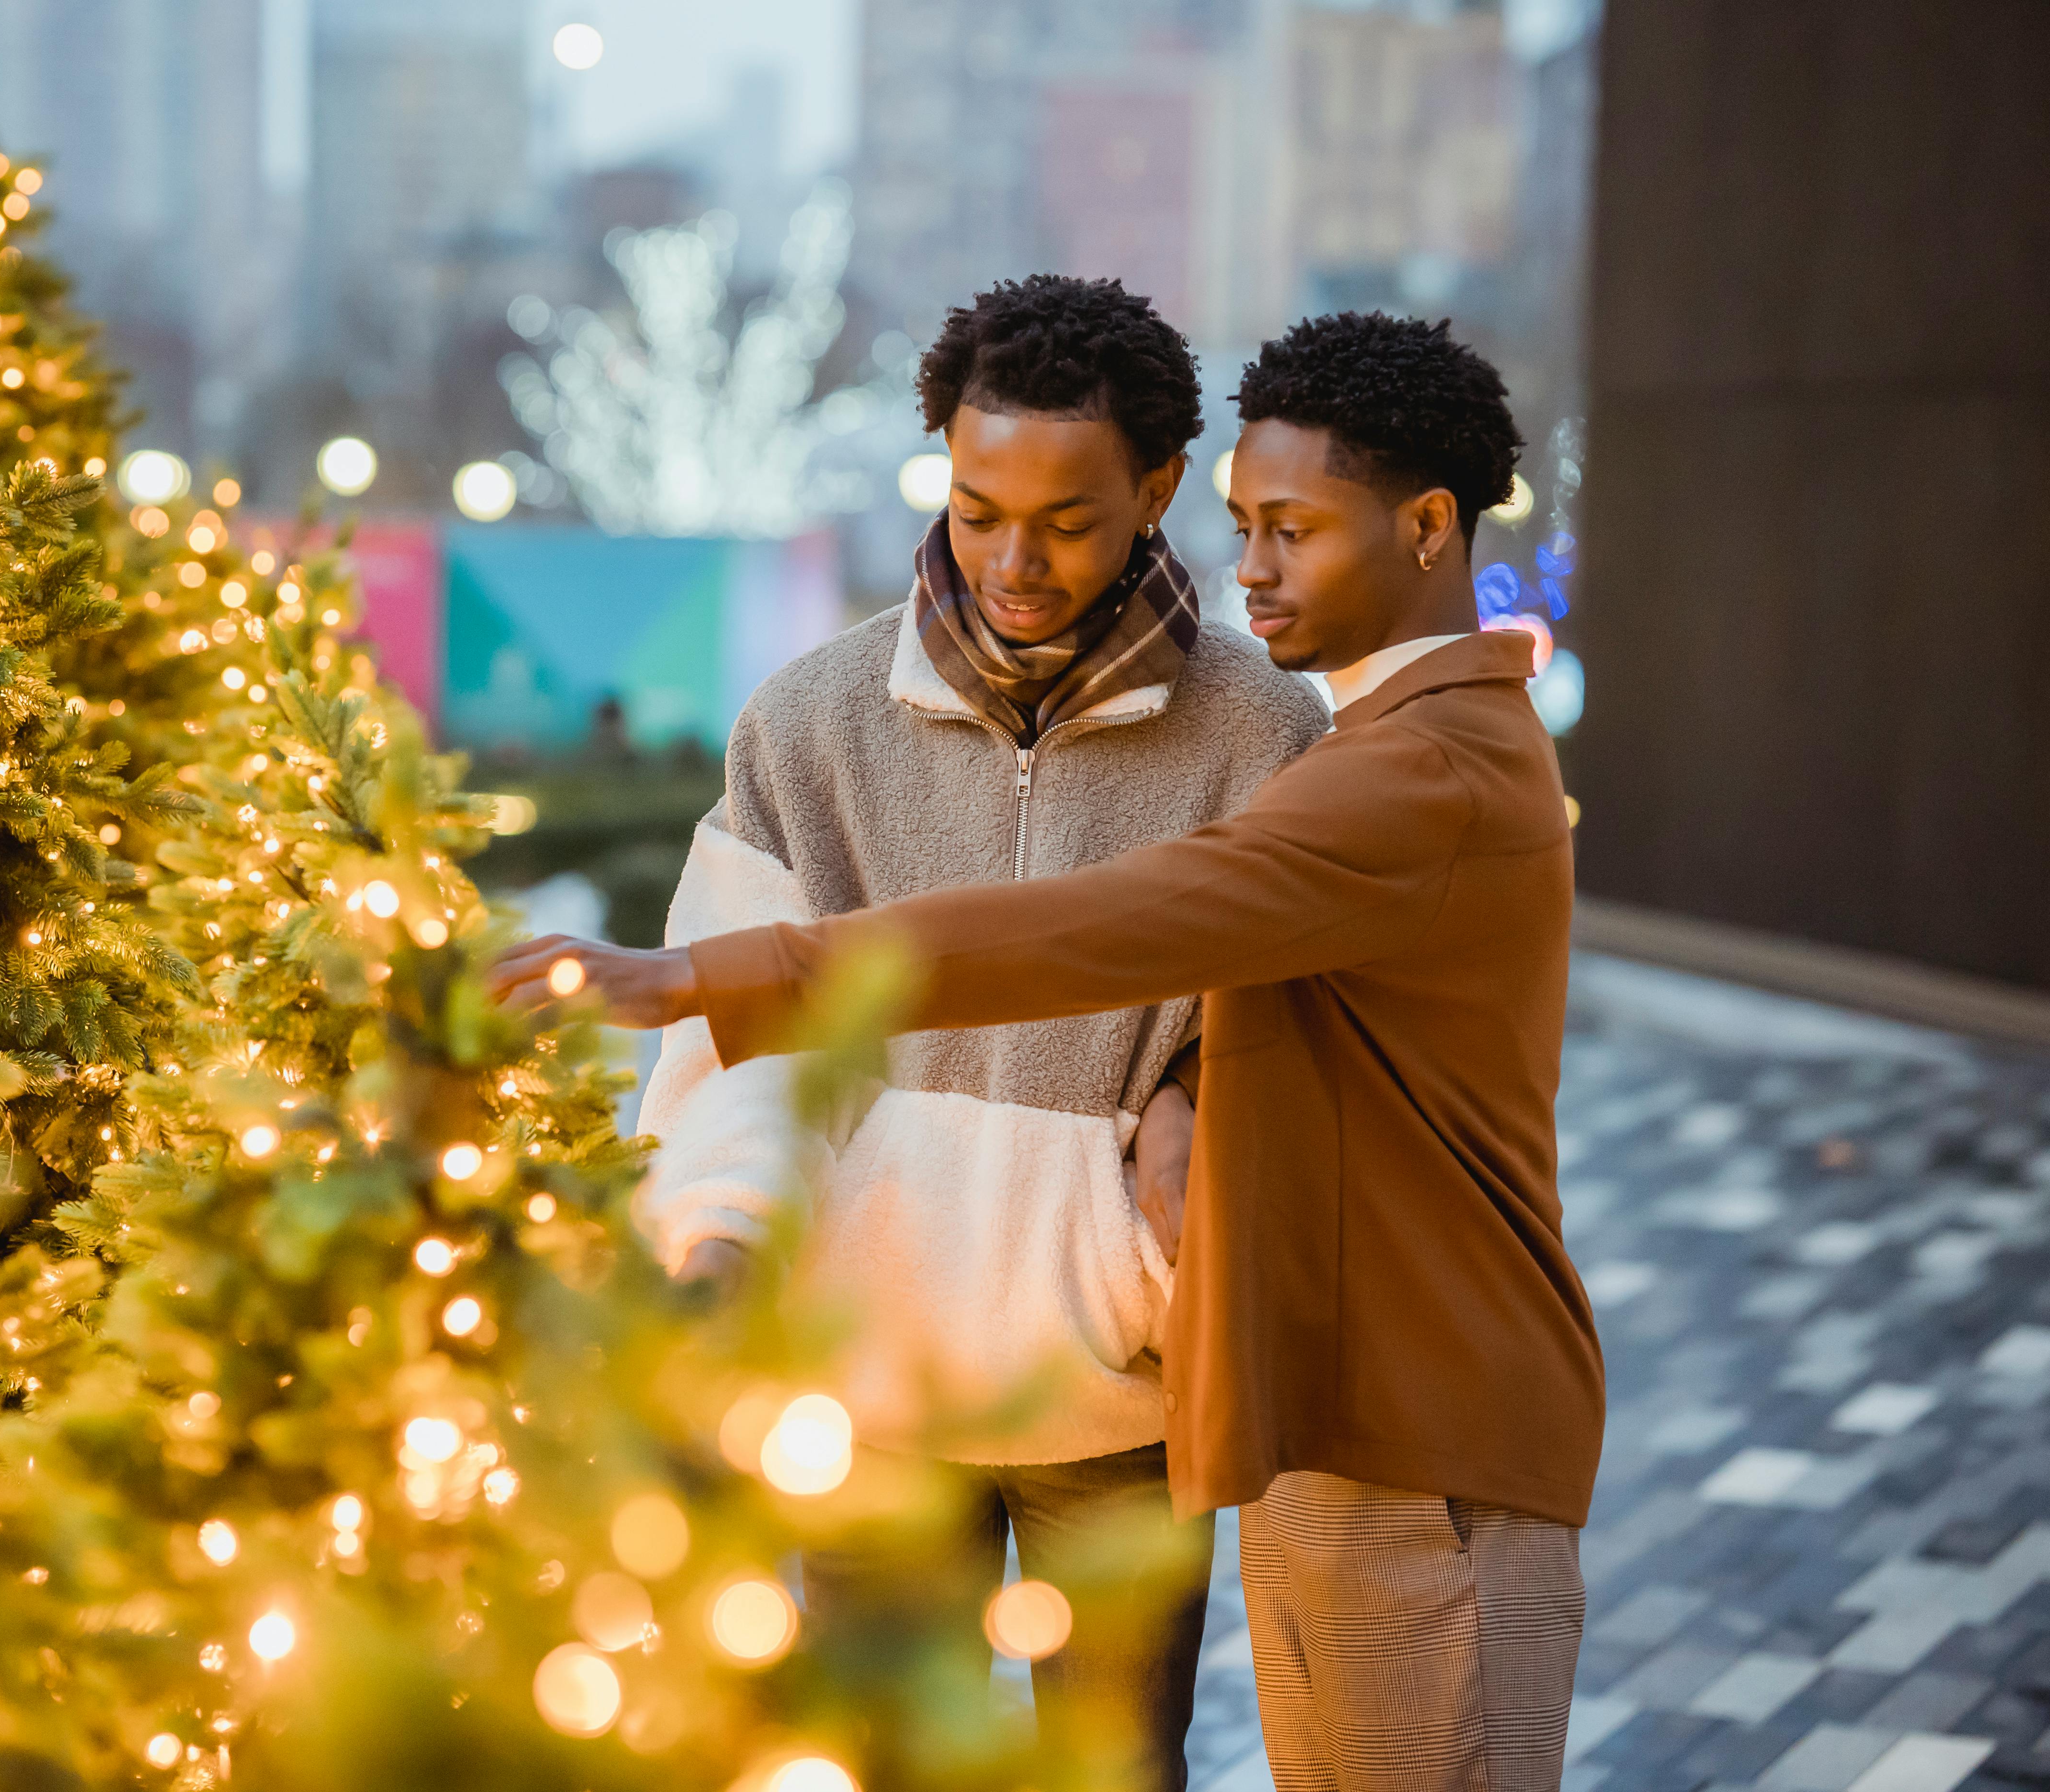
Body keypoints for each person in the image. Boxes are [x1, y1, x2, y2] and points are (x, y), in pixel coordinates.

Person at [497, 312, 1605, 1792]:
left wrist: (703, 975)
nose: (1256, 568)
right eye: (976, 513)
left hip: (1355, 1420)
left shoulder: (1379, 764)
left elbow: (1127, 930)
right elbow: (1296, 1014)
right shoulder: (823, 722)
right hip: (1257, 1419)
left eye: (1290, 531)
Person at [635, 275, 1325, 1788]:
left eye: (1068, 522)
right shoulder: (807, 726)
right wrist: (717, 1248)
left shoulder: (1268, 741)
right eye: (975, 507)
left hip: (1123, 1396)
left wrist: (1185, 1110)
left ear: (1154, 489)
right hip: (869, 1393)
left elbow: (1295, 1038)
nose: (1014, 559)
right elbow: (733, 1045)